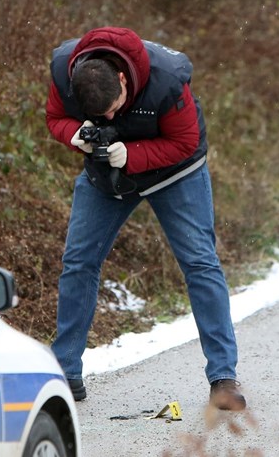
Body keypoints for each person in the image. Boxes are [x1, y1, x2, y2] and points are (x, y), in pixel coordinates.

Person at [45, 26, 246, 410]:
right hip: (106, 176)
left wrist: (132, 156)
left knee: (200, 264)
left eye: (114, 107)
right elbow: (55, 117)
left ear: (123, 79)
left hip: (176, 172)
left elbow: (185, 142)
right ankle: (65, 372)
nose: (110, 116)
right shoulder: (63, 70)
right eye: (99, 114)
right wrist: (74, 133)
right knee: (78, 262)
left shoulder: (167, 80)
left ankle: (223, 377)